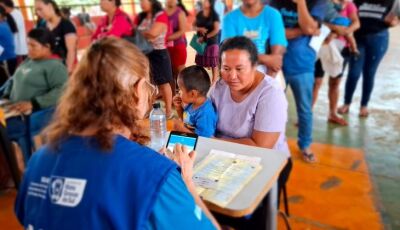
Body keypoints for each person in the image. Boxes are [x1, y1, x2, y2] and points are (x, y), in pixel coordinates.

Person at [14, 37, 219, 230]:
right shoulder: (154, 175)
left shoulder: (38, 161)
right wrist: (187, 183)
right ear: (138, 89)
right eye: (149, 87)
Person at [210, 36, 291, 229]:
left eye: (239, 69)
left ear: (255, 65)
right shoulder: (219, 88)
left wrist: (212, 142)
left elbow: (261, 147)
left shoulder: (270, 93)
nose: (231, 76)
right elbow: (204, 121)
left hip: (269, 162)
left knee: (252, 215)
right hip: (222, 156)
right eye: (226, 68)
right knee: (198, 196)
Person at [270, 0, 327, 163]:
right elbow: (273, 31)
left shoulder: (318, 3)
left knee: (304, 108)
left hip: (302, 65)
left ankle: (305, 145)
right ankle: (274, 143)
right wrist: (304, 30)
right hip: (276, 63)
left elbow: (310, 28)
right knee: (273, 107)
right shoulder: (273, 2)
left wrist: (301, 3)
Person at [1, 28, 67, 164]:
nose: (29, 49)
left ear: (47, 47)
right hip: (13, 110)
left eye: (33, 45)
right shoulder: (28, 61)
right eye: (28, 44)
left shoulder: (54, 66)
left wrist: (33, 103)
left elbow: (62, 90)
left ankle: (26, 169)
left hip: (31, 116)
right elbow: (14, 80)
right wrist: (6, 95)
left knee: (22, 149)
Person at [338, 0, 399, 117]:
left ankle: (364, 105)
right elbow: (348, 12)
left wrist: (395, 22)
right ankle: (346, 103)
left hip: (378, 38)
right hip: (358, 38)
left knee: (369, 73)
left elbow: (397, 16)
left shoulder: (392, 1)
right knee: (353, 73)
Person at [312, 0, 360, 126]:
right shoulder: (321, 3)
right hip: (321, 44)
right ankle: (307, 114)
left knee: (335, 81)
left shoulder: (348, 5)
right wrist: (334, 28)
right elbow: (315, 20)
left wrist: (344, 31)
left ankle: (332, 113)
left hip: (341, 45)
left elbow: (356, 23)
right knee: (316, 82)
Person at [222, 0, 287, 76]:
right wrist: (266, 59)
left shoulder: (273, 15)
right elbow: (230, 55)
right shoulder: (229, 18)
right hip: (238, 76)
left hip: (268, 75)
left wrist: (268, 82)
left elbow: (275, 60)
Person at [135, 0, 174, 118]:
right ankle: (150, 108)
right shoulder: (141, 17)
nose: (141, 3)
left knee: (163, 83)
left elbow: (153, 33)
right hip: (144, 53)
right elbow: (131, 32)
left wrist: (139, 33)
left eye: (143, 1)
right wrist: (144, 34)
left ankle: (168, 111)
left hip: (159, 53)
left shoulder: (160, 15)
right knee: (147, 83)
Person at [173, 65, 218, 138]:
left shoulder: (206, 113)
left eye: (181, 90)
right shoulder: (192, 103)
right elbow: (186, 120)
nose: (178, 93)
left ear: (193, 94)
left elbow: (204, 139)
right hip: (188, 139)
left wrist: (182, 129)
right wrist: (178, 108)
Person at [34, 0, 77, 74]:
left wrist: (67, 71)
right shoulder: (41, 25)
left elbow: (71, 51)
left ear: (50, 6)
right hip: (48, 68)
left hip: (64, 68)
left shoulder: (66, 25)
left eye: (40, 9)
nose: (38, 13)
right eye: (36, 10)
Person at [194, 0, 220, 83]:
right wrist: (199, 29)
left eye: (206, 1)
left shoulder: (214, 15)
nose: (204, 2)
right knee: (199, 63)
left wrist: (205, 37)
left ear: (210, 3)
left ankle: (214, 82)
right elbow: (193, 26)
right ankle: (201, 81)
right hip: (200, 41)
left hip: (211, 41)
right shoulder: (199, 13)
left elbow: (216, 30)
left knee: (213, 63)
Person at [165, 0, 188, 93]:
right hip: (165, 47)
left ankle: (185, 93)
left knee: (180, 71)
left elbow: (182, 31)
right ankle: (173, 94)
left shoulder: (180, 12)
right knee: (169, 72)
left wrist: (167, 38)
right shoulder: (161, 12)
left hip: (178, 46)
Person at [0, 0, 28, 64]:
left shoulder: (14, 15)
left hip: (17, 47)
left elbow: (12, 31)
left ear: (6, 6)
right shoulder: (12, 14)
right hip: (13, 48)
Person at [0, 5, 16, 83]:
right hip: (8, 58)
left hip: (6, 59)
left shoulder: (1, 27)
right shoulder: (5, 23)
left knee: (9, 83)